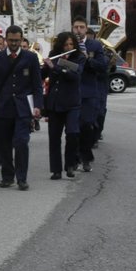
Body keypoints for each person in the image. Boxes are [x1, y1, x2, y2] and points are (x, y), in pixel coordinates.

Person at [0, 25, 43, 190]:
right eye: (11, 40)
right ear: (5, 39)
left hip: (23, 108)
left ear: (22, 39)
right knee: (5, 144)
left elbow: (37, 85)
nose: (14, 43)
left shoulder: (31, 58)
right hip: (3, 107)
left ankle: (22, 178)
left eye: (17, 40)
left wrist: (38, 105)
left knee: (22, 142)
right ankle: (7, 177)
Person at [41, 31, 83, 180]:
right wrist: (42, 65)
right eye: (65, 44)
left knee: (72, 134)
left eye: (71, 44)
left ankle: (70, 164)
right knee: (54, 137)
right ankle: (56, 170)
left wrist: (55, 67)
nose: (68, 47)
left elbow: (75, 76)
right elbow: (43, 74)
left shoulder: (79, 57)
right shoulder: (55, 55)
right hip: (55, 103)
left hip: (72, 103)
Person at [73, 17, 110, 172]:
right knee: (73, 129)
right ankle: (75, 159)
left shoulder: (94, 45)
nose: (78, 30)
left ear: (86, 29)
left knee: (87, 125)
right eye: (76, 27)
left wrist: (88, 59)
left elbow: (102, 66)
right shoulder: (67, 44)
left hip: (89, 92)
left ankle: (86, 156)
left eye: (82, 27)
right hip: (72, 91)